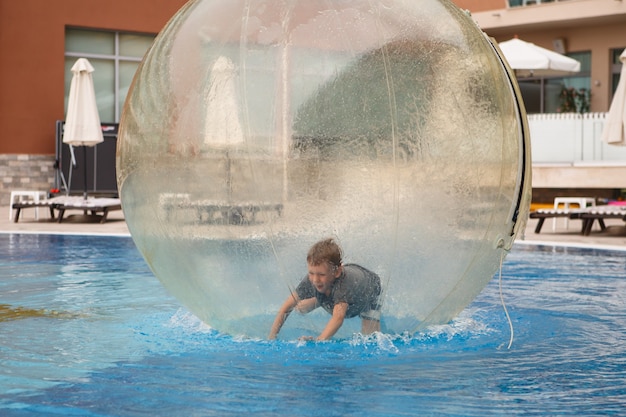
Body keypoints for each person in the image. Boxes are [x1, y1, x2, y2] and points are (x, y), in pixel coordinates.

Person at [268, 238, 382, 340]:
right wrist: (271, 338)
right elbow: (285, 308)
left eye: (321, 275)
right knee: (300, 307)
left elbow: (338, 318)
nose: (315, 279)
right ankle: (318, 300)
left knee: (370, 339)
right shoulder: (311, 279)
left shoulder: (344, 285)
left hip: (369, 290)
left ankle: (318, 301)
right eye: (311, 273)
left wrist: (319, 340)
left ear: (337, 272)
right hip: (340, 284)